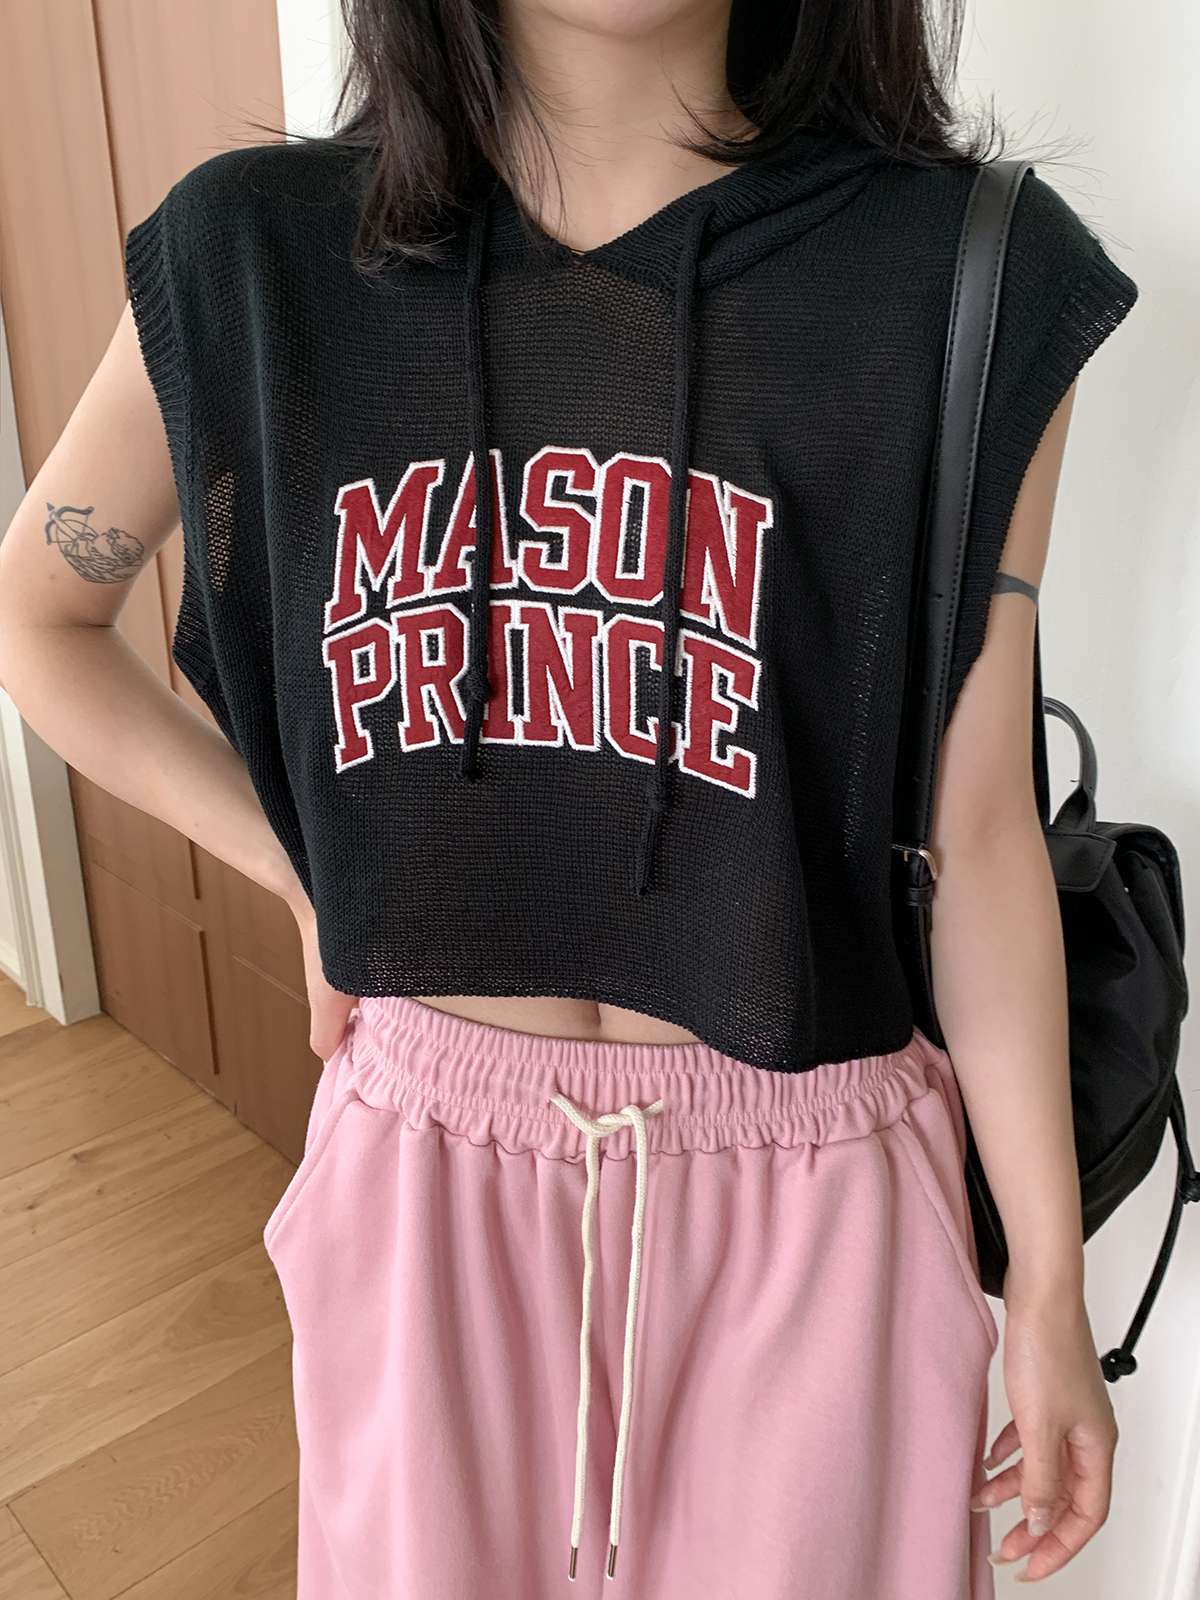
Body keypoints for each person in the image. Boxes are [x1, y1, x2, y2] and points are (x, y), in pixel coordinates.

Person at [0, 0, 1142, 1594]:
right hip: (428, 1192)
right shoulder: (252, 258)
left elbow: (981, 831)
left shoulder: (964, 272)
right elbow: (42, 620)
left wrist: (1051, 1294)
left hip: (818, 1200)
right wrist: (302, 878)